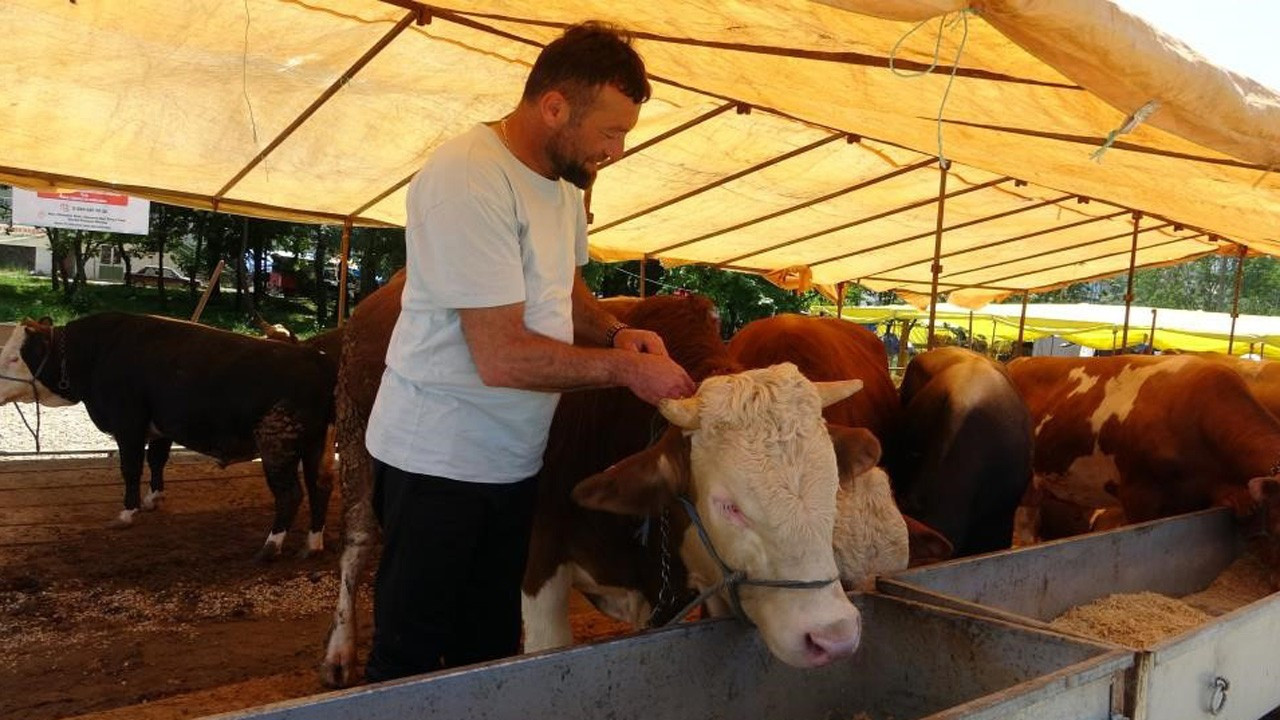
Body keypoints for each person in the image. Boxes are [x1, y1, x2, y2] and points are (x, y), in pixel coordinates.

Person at [362, 21, 696, 682]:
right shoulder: (468, 178)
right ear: (554, 108)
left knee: (488, 646)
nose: (618, 149)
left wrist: (613, 332)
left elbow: (563, 292)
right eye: (610, 131)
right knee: (409, 654)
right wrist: (627, 370)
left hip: (512, 462)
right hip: (437, 462)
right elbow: (501, 357)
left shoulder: (563, 183)